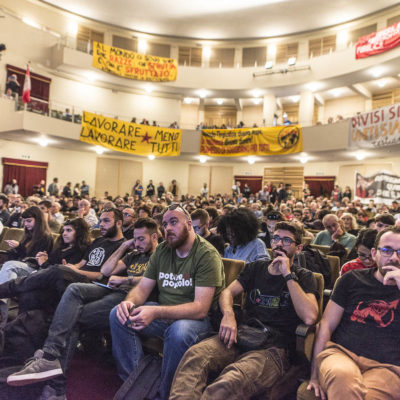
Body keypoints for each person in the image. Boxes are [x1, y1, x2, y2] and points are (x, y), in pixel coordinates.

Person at [7, 218, 159, 398]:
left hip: (131, 298)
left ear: (155, 237)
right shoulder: (134, 254)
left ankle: (54, 377)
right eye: (135, 238)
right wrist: (124, 246)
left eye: (142, 239)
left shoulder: (160, 254)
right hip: (112, 289)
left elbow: (155, 280)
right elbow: (106, 271)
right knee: (74, 289)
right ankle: (51, 359)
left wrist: (126, 280)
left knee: (73, 317)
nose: (138, 243)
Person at [170, 221, 319, 400]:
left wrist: (288, 274)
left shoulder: (303, 276)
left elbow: (310, 317)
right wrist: (228, 314)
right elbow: (227, 292)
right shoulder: (256, 267)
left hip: (274, 349)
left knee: (231, 380)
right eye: (276, 238)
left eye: (287, 240)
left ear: (299, 248)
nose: (279, 244)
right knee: (196, 356)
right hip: (241, 335)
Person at [109, 204, 225, 399]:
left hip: (195, 321)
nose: (168, 228)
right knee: (118, 315)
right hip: (164, 313)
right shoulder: (162, 250)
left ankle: (165, 393)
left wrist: (155, 312)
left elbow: (200, 309)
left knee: (178, 332)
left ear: (189, 224)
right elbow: (142, 289)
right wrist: (129, 302)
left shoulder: (207, 254)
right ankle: (141, 385)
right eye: (164, 223)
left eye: (173, 222)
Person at [307, 226, 400, 399]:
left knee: (367, 395)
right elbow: (326, 325)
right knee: (342, 377)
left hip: (387, 367)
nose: (394, 257)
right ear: (374, 254)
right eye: (387, 250)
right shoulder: (351, 279)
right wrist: (314, 374)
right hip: (341, 354)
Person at [0, 206, 53, 327]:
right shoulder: (28, 235)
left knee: (9, 266)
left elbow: (35, 259)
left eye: (29, 221)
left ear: (38, 220)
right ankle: (2, 319)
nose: (26, 224)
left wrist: (19, 247)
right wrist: (13, 249)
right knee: (9, 271)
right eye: (25, 221)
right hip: (22, 267)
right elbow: (20, 256)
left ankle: (1, 307)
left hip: (34, 270)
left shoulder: (45, 237)